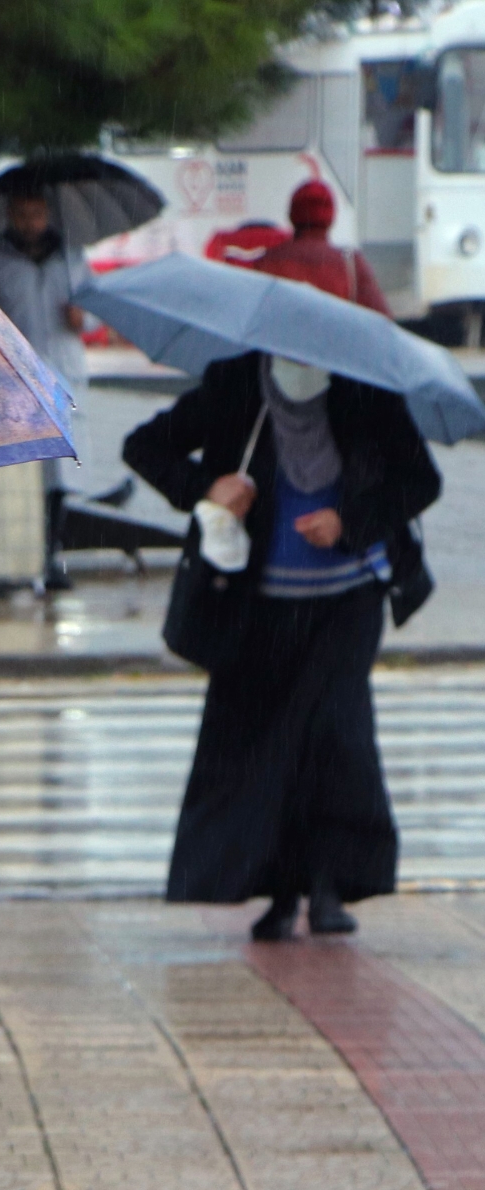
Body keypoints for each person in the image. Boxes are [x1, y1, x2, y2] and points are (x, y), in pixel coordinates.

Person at [123, 352, 439, 941]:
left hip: (347, 604)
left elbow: (420, 480)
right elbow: (144, 446)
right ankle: (279, 889)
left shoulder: (365, 389)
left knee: (333, 740)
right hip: (255, 607)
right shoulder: (235, 384)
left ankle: (328, 887)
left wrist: (348, 519)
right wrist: (205, 488)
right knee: (264, 749)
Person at [0, 190, 96, 589]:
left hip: (64, 374)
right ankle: (11, 561)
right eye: (22, 214)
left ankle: (50, 556)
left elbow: (95, 314)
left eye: (37, 214)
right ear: (9, 215)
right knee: (17, 473)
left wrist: (83, 317)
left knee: (60, 472)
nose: (30, 223)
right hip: (12, 379)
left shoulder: (72, 260)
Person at [254, 180, 391, 315]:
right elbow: (382, 321)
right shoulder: (350, 263)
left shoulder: (267, 261)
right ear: (331, 218)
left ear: (291, 215)